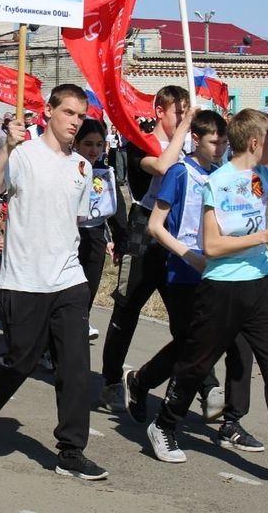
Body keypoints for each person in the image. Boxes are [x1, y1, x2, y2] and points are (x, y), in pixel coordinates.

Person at [146, 109, 268, 489]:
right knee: (196, 364)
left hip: (262, 287)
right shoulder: (217, 183)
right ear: (254, 142)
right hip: (221, 288)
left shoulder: (265, 176)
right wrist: (261, 238)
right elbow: (212, 246)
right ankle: (164, 425)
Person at [0, 84, 107, 481]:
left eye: (80, 115)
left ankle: (71, 450)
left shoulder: (82, 166)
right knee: (20, 361)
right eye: (68, 113)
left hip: (68, 278)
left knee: (75, 365)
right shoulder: (23, 155)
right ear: (49, 111)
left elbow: (73, 220)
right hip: (23, 279)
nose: (75, 122)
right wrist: (7, 148)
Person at [125, 111, 259, 450]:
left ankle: (232, 421)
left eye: (225, 143)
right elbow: (157, 226)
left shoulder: (223, 175)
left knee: (238, 342)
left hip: (221, 270)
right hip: (184, 270)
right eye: (215, 142)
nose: (220, 148)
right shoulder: (179, 173)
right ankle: (141, 382)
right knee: (190, 344)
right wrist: (189, 255)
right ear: (196, 140)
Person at [99, 86, 208, 415]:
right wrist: (186, 128)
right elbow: (162, 166)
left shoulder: (191, 146)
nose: (184, 119)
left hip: (177, 231)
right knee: (127, 307)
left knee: (186, 317)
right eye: (179, 112)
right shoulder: (140, 141)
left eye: (187, 112)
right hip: (144, 230)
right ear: (159, 111)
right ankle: (112, 379)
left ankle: (201, 385)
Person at [75, 119, 121, 341]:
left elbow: (115, 209)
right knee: (71, 290)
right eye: (88, 144)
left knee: (89, 287)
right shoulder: (67, 169)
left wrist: (119, 241)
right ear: (76, 144)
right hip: (69, 236)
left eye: (99, 145)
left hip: (95, 235)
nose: (94, 150)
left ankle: (81, 321)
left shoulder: (105, 172)